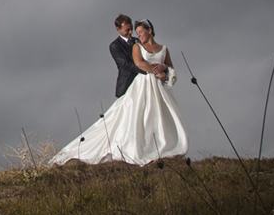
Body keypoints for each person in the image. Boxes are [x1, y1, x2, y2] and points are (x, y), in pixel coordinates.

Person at [50, 18, 188, 166]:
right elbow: (133, 63)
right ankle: (136, 147)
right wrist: (155, 71)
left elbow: (168, 65)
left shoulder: (161, 47)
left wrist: (163, 68)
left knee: (158, 115)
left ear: (150, 30)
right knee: (135, 116)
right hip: (139, 84)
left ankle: (161, 146)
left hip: (158, 87)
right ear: (118, 29)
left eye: (137, 31)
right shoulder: (124, 46)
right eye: (131, 31)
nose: (134, 34)